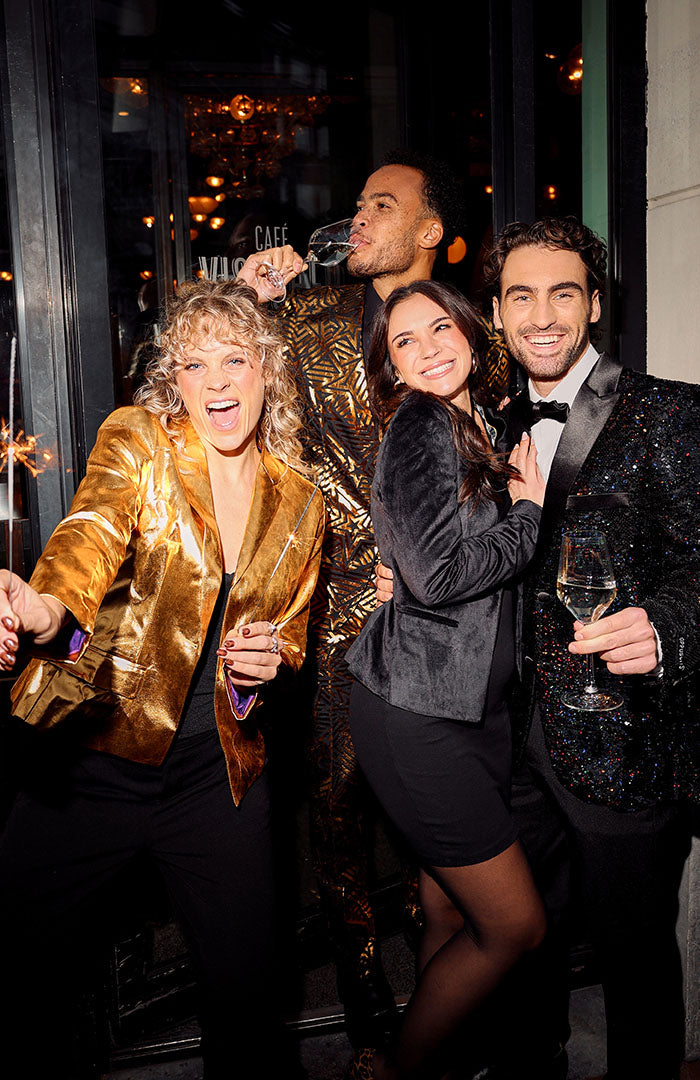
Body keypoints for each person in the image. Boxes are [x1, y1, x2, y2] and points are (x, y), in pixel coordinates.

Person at [374, 218, 700, 1078]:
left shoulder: (670, 411)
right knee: (522, 949)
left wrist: (668, 626)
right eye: (521, 296)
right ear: (495, 312)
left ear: (594, 305)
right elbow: (449, 549)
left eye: (564, 294)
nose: (542, 316)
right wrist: (397, 570)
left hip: (624, 743)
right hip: (506, 743)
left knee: (634, 960)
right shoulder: (482, 421)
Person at [0, 279, 324, 1079]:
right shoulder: (140, 441)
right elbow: (88, 534)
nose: (216, 381)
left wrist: (267, 666)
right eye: (193, 364)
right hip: (90, 757)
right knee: (19, 972)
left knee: (249, 999)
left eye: (234, 359)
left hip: (216, 775)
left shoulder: (300, 502)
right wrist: (45, 609)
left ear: (267, 369)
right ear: (173, 380)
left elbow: (291, 639)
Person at [238, 150, 510, 1044]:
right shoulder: (307, 319)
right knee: (338, 824)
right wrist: (245, 300)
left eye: (381, 205)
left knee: (446, 844)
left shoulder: (473, 336)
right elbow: (195, 379)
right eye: (356, 203)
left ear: (430, 231)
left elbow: (500, 465)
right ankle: (366, 1021)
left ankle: (446, 1016)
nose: (358, 216)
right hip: (337, 620)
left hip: (455, 626)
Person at [341, 278, 546, 1080]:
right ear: (390, 367)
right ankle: (403, 1069)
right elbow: (435, 577)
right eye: (404, 341)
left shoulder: (479, 422)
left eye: (438, 328)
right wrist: (527, 517)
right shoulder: (420, 424)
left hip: (467, 710)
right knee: (515, 927)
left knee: (451, 912)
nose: (427, 350)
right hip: (417, 715)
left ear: (469, 329)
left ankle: (445, 1063)